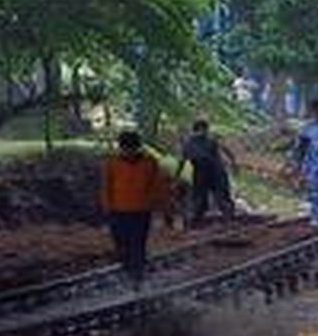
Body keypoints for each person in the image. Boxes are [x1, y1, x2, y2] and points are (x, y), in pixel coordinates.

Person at [101, 131, 170, 290]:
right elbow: (106, 188)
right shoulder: (112, 163)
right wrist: (107, 209)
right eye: (125, 148)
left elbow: (158, 188)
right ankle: (127, 272)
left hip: (141, 211)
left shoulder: (149, 163)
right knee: (121, 244)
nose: (129, 152)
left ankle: (136, 278)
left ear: (138, 147)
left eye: (132, 148)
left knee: (137, 244)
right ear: (121, 148)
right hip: (117, 211)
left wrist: (164, 210)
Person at [178, 119, 235, 226]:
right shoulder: (199, 141)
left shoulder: (194, 142)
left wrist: (178, 173)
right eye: (203, 129)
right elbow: (183, 159)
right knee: (207, 196)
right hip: (209, 171)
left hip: (209, 171)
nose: (204, 132)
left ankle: (225, 218)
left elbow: (183, 159)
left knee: (213, 196)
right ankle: (199, 220)